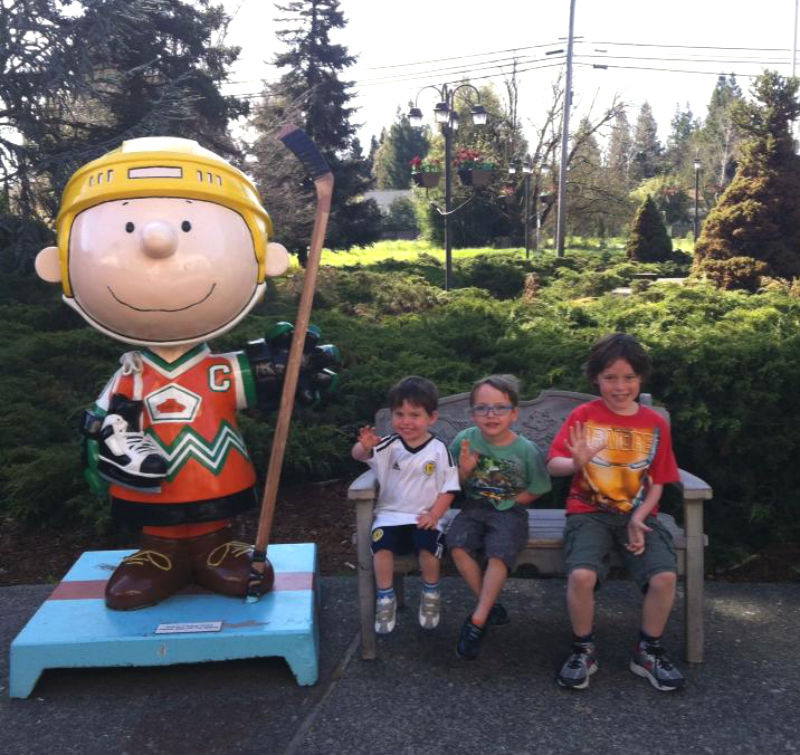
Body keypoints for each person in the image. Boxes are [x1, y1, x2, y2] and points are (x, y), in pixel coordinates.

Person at [34, 136, 336, 609]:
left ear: (264, 258)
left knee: (218, 531)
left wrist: (291, 370)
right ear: (58, 265)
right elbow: (99, 426)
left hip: (220, 482)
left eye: (189, 227)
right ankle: (161, 554)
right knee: (153, 524)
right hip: (153, 492)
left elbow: (261, 380)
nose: (158, 239)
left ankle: (216, 547)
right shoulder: (130, 376)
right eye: (129, 226)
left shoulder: (218, 371)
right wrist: (101, 437)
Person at [547, 333, 685, 692]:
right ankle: (583, 649)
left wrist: (640, 517)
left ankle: (648, 650)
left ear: (641, 379)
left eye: (629, 378)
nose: (620, 386)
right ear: (596, 378)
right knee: (581, 576)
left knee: (664, 577)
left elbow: (659, 481)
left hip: (639, 515)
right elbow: (553, 465)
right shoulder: (584, 416)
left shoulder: (655, 424)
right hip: (587, 513)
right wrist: (575, 461)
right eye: (610, 377)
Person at [447, 374, 551, 660]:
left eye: (500, 407)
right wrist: (465, 470)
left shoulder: (525, 450)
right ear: (473, 413)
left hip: (511, 511)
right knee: (456, 544)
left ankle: (478, 620)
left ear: (514, 413)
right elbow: (451, 483)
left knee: (499, 553)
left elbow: (538, 488)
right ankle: (491, 605)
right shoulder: (464, 441)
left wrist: (511, 501)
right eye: (482, 408)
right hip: (473, 507)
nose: (491, 414)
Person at [352, 376, 460, 634]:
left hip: (425, 516)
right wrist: (363, 447)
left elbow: (450, 488)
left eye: (415, 414)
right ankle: (385, 597)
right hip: (390, 516)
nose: (406, 421)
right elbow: (361, 456)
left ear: (431, 418)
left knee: (429, 549)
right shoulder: (389, 445)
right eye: (400, 414)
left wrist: (435, 515)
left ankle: (431, 593)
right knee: (381, 547)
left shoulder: (438, 450)